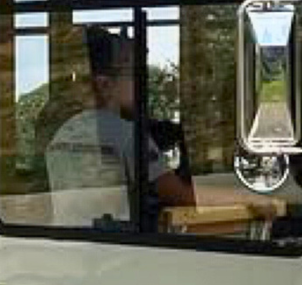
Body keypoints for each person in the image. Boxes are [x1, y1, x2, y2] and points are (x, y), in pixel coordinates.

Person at [45, 24, 194, 229]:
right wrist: (245, 196)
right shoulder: (126, 135)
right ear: (105, 84)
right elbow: (182, 196)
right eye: (132, 73)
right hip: (116, 250)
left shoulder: (63, 133)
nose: (142, 82)